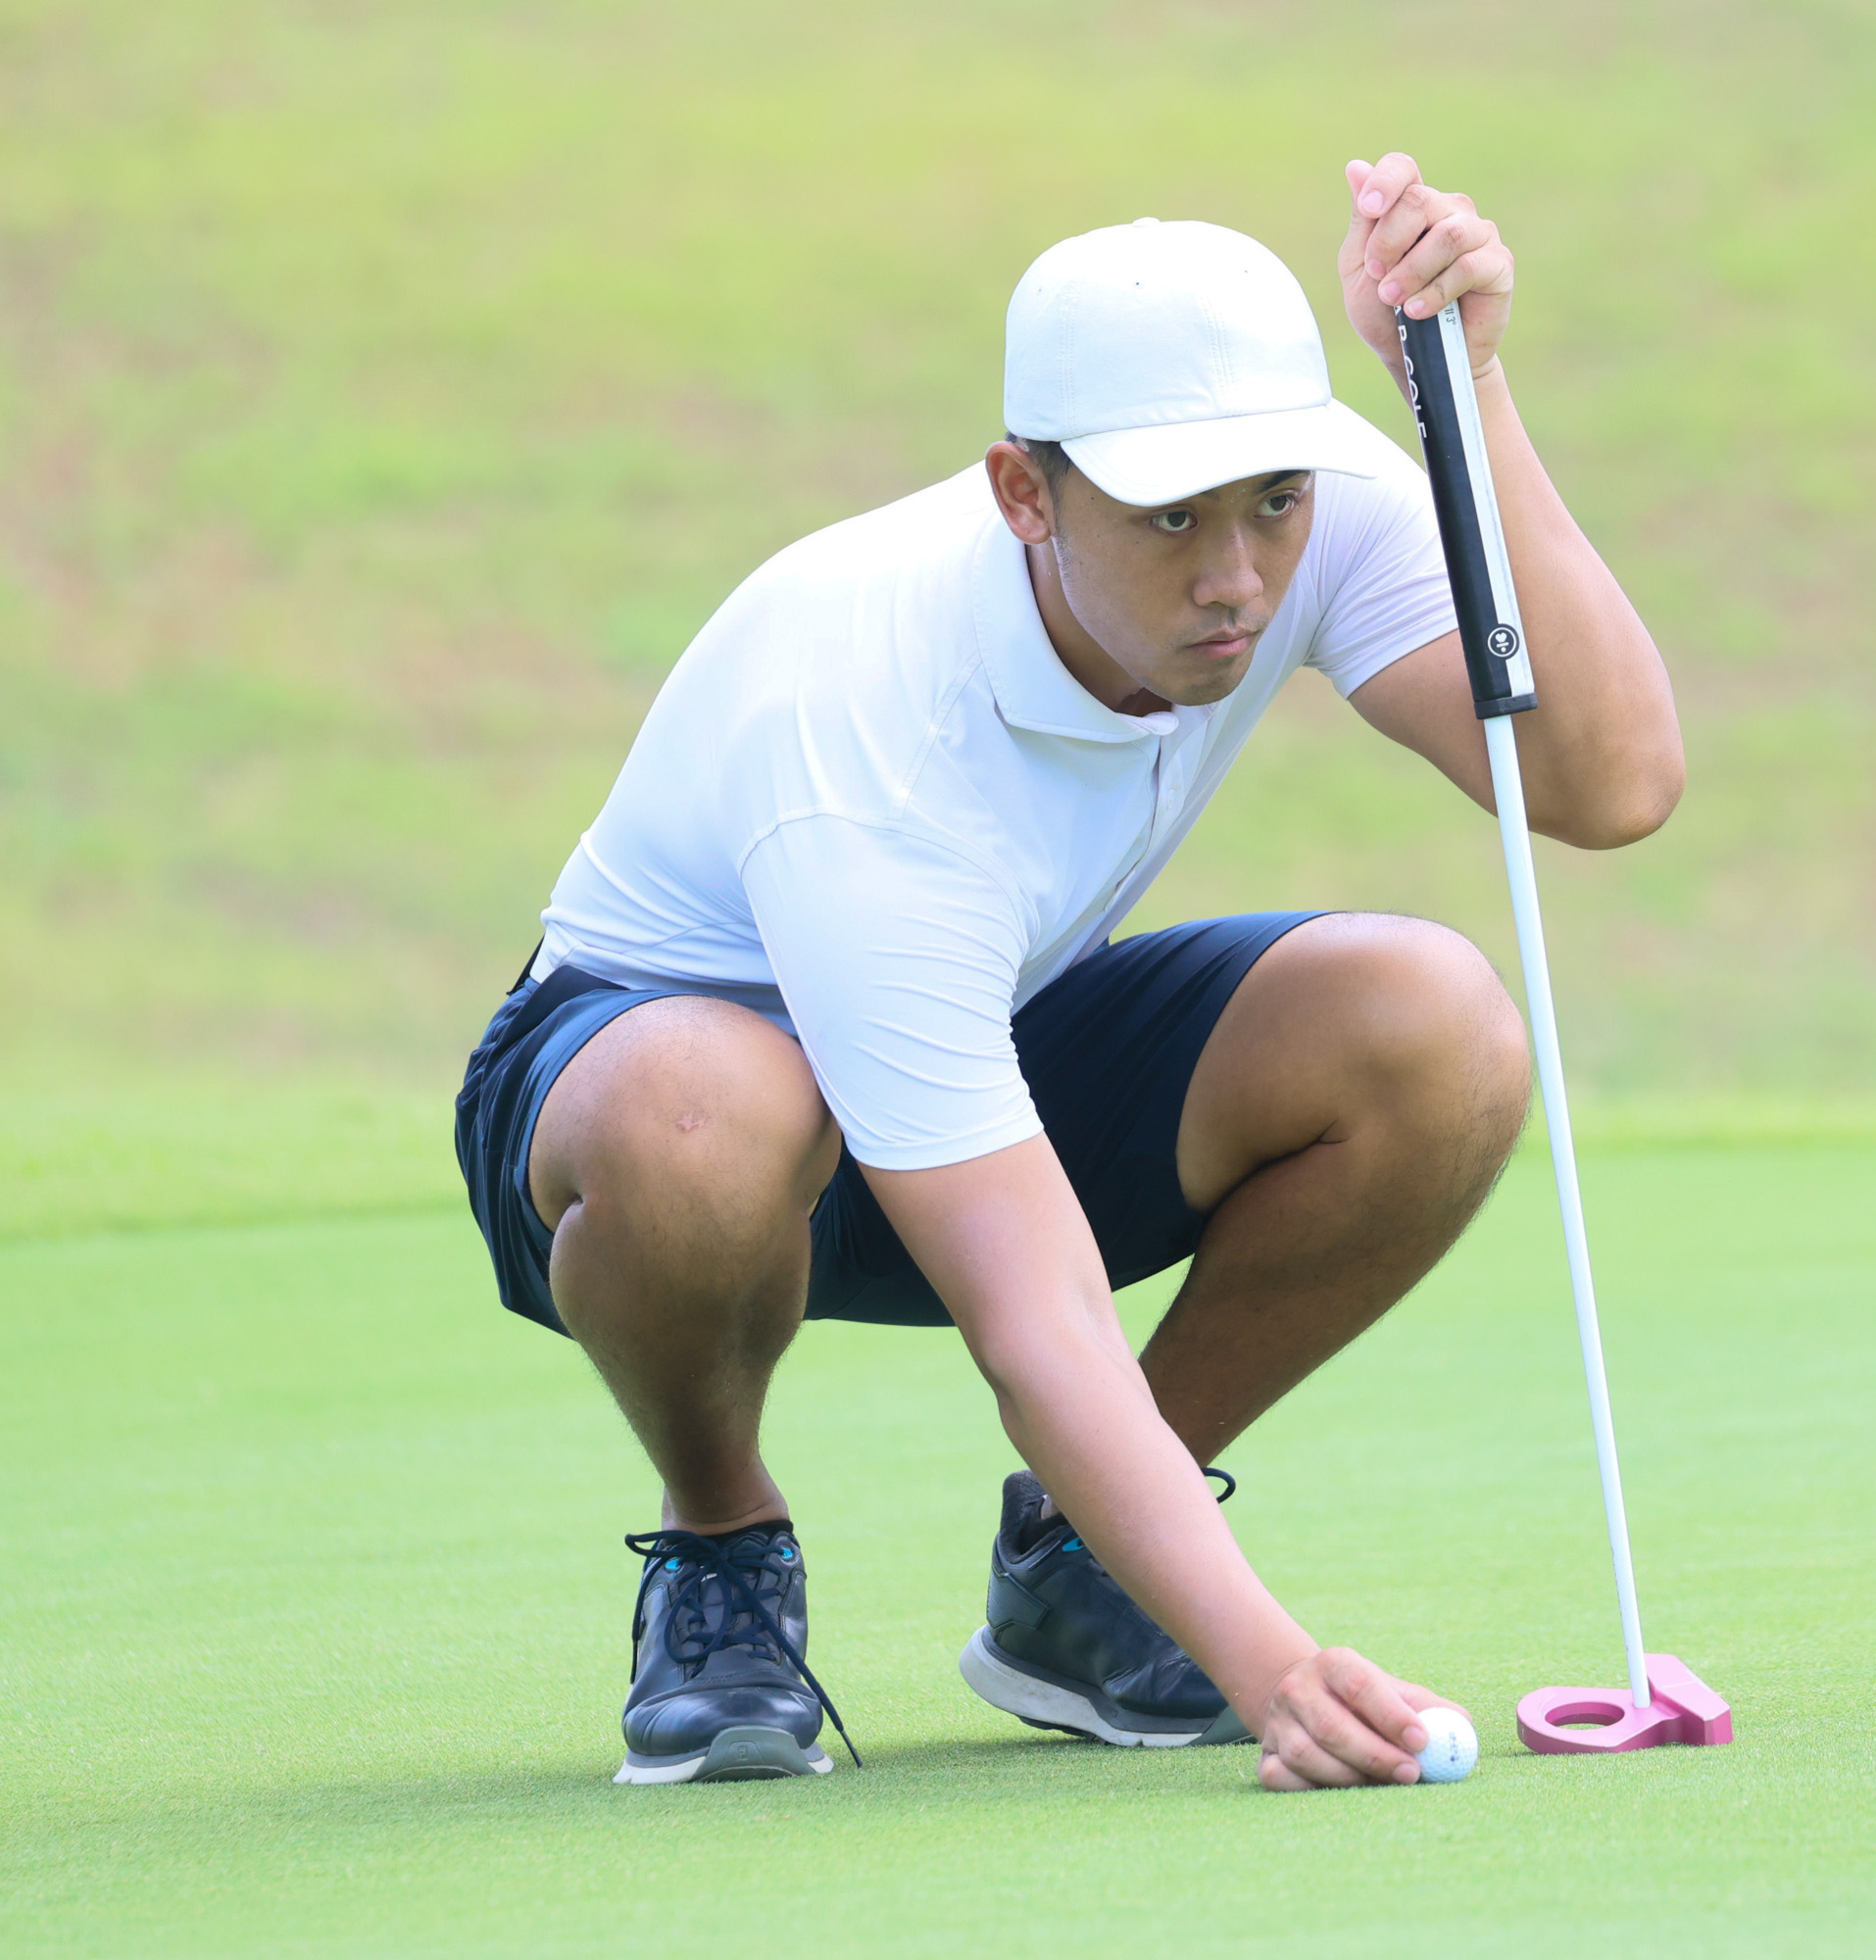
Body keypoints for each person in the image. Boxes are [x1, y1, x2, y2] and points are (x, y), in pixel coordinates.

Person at [452, 153, 1683, 1792]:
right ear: (1026, 493)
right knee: (705, 1115)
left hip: (971, 1040)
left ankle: (1081, 1586)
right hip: (629, 1115)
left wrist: (1470, 393)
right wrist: (1277, 1667)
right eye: (1171, 517)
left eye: (1273, 503)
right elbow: (1028, 1312)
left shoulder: (1305, 517)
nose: (1239, 573)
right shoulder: (867, 723)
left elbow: (1606, 782)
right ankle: (720, 1544)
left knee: (1432, 1028)